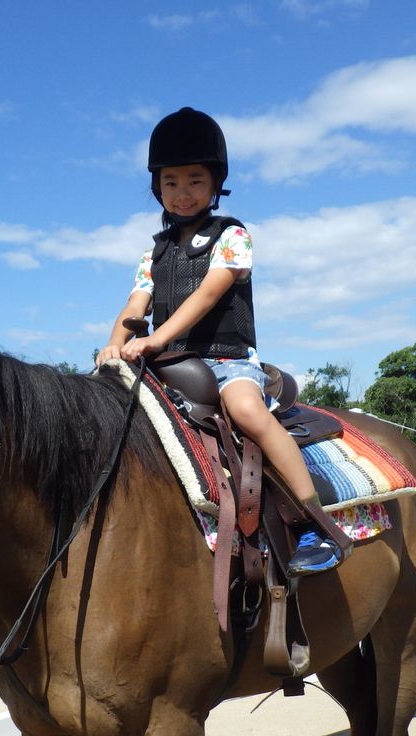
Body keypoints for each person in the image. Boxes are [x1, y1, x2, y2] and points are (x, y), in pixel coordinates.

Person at [95, 107, 348, 576]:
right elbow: (135, 306)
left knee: (250, 413)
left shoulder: (232, 236)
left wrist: (157, 339)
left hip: (227, 362)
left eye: (194, 180)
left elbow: (210, 293)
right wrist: (115, 345)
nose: (182, 192)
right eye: (171, 182)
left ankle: (318, 524)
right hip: (170, 366)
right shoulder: (155, 252)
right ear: (157, 189)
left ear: (215, 184)